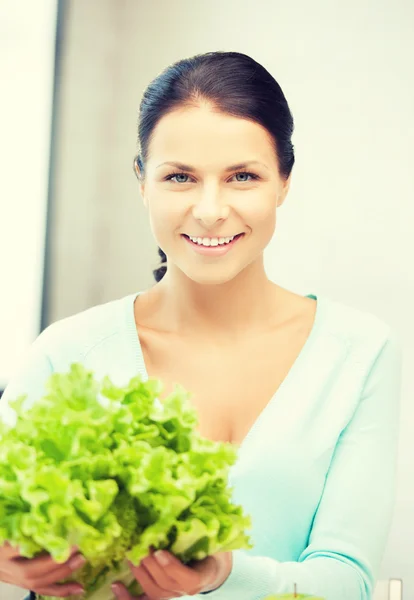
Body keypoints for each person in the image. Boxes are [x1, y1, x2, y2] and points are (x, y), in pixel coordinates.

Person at [0, 51, 403, 600]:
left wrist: (225, 574)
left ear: (284, 181)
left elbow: (348, 580)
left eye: (242, 176)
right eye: (180, 177)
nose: (211, 210)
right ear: (142, 181)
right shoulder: (66, 352)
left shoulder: (360, 352)